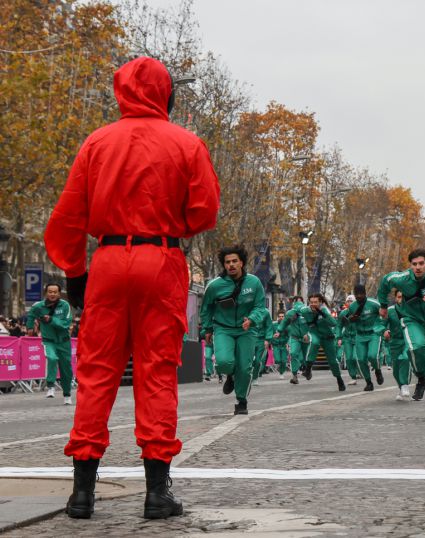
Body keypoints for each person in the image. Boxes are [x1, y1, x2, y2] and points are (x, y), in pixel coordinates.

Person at [44, 56, 220, 520]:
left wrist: (75, 276)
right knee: (157, 374)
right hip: (160, 259)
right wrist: (170, 225)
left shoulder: (96, 142)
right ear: (167, 94)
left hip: (106, 259)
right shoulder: (187, 143)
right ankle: (156, 492)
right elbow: (205, 211)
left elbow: (65, 218)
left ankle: (82, 492)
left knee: (96, 374)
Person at [377, 249, 425, 417]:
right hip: (413, 320)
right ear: (410, 265)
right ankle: (420, 377)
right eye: (414, 264)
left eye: (421, 263)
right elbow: (385, 282)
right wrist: (383, 305)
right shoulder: (402, 279)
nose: (418, 267)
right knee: (417, 346)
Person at [200, 246, 267, 415]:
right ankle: (230, 375)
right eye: (227, 262)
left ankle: (241, 401)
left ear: (242, 263)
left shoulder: (254, 282)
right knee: (223, 362)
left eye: (234, 261)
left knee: (245, 368)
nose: (231, 265)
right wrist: (207, 328)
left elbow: (260, 307)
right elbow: (206, 308)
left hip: (247, 330)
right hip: (223, 329)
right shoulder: (214, 286)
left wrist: (252, 319)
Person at [25, 283, 74, 405]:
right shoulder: (39, 306)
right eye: (50, 292)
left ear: (59, 293)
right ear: (46, 293)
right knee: (51, 358)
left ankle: (67, 395)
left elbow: (66, 323)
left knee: (66, 370)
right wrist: (29, 327)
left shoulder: (65, 305)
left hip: (64, 342)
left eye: (55, 292)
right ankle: (50, 385)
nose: (52, 294)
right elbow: (31, 315)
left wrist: (51, 320)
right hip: (48, 341)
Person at [298, 293, 345, 391]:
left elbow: (333, 323)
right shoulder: (305, 311)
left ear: (320, 302)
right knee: (313, 343)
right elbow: (297, 317)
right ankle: (308, 369)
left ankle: (339, 378)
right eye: (311, 302)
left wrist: (323, 314)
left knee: (333, 361)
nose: (313, 304)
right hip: (314, 333)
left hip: (328, 337)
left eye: (316, 302)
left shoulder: (325, 310)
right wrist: (304, 333)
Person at [345, 284, 385, 391]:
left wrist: (381, 327)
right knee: (361, 359)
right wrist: (351, 319)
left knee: (372, 356)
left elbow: (384, 313)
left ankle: (377, 370)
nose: (358, 296)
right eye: (356, 294)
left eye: (361, 294)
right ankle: (368, 382)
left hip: (373, 333)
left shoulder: (374, 304)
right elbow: (346, 318)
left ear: (365, 293)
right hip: (360, 335)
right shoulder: (352, 306)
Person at [275, 296, 310, 384]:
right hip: (294, 338)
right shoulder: (290, 313)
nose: (298, 303)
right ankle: (294, 376)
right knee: (293, 353)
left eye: (299, 301)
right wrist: (278, 331)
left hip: (305, 338)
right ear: (293, 303)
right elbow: (284, 323)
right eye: (296, 301)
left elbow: (313, 324)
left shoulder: (307, 312)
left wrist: (308, 333)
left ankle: (307, 369)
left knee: (304, 358)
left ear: (303, 302)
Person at [384, 289, 411, 400]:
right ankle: (401, 388)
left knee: (405, 358)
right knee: (396, 369)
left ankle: (405, 385)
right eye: (399, 297)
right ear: (395, 298)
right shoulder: (390, 311)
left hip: (408, 340)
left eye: (403, 297)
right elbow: (381, 323)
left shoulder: (412, 310)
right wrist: (384, 331)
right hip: (395, 341)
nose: (401, 299)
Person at [337, 295, 359, 385]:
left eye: (351, 301)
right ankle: (353, 377)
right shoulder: (343, 313)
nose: (349, 303)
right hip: (347, 338)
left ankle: (361, 370)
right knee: (349, 358)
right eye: (348, 301)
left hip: (358, 337)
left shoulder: (359, 312)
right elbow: (339, 326)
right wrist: (339, 338)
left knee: (355, 357)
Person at [271, 311, 290, 379]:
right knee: (278, 360)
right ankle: (279, 368)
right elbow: (270, 333)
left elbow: (289, 335)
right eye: (280, 316)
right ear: (277, 317)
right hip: (276, 345)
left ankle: (281, 373)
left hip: (283, 345)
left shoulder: (287, 325)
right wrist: (272, 338)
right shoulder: (273, 325)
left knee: (284, 361)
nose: (281, 318)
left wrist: (288, 343)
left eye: (282, 316)